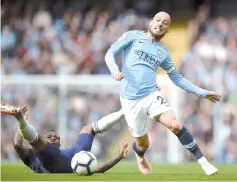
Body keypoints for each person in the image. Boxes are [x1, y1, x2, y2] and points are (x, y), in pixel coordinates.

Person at [104, 11, 221, 176]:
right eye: (157, 20)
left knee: (175, 124)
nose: (160, 24)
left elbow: (178, 79)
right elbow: (110, 53)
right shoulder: (133, 36)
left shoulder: (163, 53)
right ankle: (139, 154)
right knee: (143, 145)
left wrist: (203, 93)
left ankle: (203, 161)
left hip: (151, 95)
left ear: (168, 30)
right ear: (151, 22)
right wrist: (115, 70)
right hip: (130, 100)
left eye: (165, 23)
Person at [1, 102, 127, 174]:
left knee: (88, 128)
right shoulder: (32, 156)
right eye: (49, 136)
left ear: (60, 142)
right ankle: (20, 119)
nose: (53, 137)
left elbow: (97, 169)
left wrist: (118, 157)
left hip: (69, 157)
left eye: (55, 137)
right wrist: (21, 123)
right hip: (52, 166)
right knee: (36, 141)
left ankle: (124, 111)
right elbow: (17, 145)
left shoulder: (75, 157)